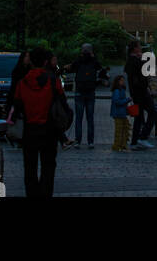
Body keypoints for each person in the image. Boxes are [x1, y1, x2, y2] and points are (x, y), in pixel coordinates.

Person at [13, 46, 63, 198]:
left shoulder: (22, 83)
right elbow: (62, 104)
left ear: (31, 62)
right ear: (46, 61)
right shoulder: (53, 81)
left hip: (30, 129)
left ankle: (32, 194)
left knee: (30, 168)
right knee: (48, 166)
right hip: (49, 129)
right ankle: (45, 193)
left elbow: (17, 106)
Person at [65, 42, 105, 149]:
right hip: (90, 91)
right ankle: (90, 141)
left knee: (79, 118)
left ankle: (78, 140)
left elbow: (72, 67)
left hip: (79, 91)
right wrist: (93, 56)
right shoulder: (93, 61)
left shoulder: (78, 61)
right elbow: (100, 67)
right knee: (90, 118)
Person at [125, 39, 155, 149]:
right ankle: (142, 137)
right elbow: (147, 69)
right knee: (152, 112)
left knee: (139, 117)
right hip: (141, 91)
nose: (141, 48)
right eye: (139, 46)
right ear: (135, 49)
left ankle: (135, 141)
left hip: (136, 92)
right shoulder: (136, 61)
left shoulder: (130, 61)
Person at [110, 74, 130, 152]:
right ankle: (117, 146)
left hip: (122, 113)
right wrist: (127, 100)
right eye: (121, 80)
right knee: (119, 130)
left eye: (123, 80)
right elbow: (117, 102)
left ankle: (122, 145)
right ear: (117, 82)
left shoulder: (122, 90)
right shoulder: (117, 91)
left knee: (124, 129)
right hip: (118, 113)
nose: (123, 82)